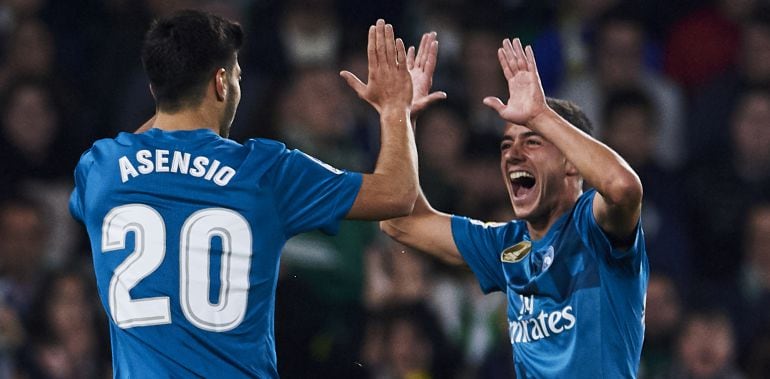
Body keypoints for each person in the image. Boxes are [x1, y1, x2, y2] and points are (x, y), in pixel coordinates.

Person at [69, 10, 427, 378]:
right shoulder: (266, 171)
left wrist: (167, 97)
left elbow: (145, 144)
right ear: (221, 83)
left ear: (155, 89)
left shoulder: (101, 168)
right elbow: (398, 194)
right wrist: (395, 108)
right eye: (237, 77)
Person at [381, 37, 648, 377]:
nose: (512, 155)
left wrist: (540, 115)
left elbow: (624, 188)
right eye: (506, 145)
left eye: (532, 141)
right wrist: (400, 118)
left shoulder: (596, 229)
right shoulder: (507, 245)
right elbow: (398, 220)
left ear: (571, 163)